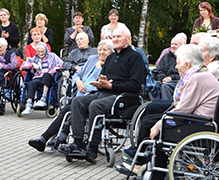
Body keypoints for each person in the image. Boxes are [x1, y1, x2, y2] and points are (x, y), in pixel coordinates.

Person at [130, 44, 219, 180]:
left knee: (154, 128)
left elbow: (183, 109)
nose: (176, 66)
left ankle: (152, 178)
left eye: (178, 63)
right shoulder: (200, 74)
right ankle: (147, 168)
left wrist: (159, 125)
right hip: (201, 120)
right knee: (151, 118)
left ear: (187, 64)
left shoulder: (196, 78)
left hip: (199, 124)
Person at [66, 26, 145, 163]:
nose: (115, 39)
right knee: (77, 101)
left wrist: (112, 85)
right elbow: (106, 78)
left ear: (128, 39)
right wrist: (102, 81)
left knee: (95, 105)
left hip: (123, 98)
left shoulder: (135, 57)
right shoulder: (111, 57)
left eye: (118, 36)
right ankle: (78, 143)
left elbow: (135, 86)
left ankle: (92, 148)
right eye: (113, 37)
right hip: (104, 93)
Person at [28, 39, 114, 152]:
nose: (101, 52)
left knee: (68, 110)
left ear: (111, 52)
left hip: (93, 96)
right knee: (66, 110)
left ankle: (54, 137)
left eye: (105, 50)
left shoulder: (111, 63)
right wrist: (78, 82)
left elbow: (104, 80)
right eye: (100, 49)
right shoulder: (92, 59)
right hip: (79, 94)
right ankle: (51, 137)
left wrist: (99, 67)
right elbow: (78, 74)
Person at [20, 42, 63, 115]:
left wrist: (53, 70)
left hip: (49, 76)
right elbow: (23, 66)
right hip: (39, 76)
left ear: (46, 50)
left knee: (46, 75)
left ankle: (43, 98)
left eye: (42, 51)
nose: (40, 53)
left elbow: (62, 64)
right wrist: (32, 65)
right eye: (39, 52)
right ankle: (29, 104)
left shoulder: (52, 56)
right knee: (31, 83)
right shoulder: (35, 58)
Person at [155, 34, 185, 101]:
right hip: (164, 80)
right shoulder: (166, 57)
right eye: (172, 44)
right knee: (154, 85)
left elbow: (184, 73)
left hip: (177, 81)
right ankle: (155, 104)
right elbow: (159, 70)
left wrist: (171, 78)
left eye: (176, 44)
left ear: (182, 46)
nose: (173, 46)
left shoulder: (184, 58)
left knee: (166, 86)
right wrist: (163, 78)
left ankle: (166, 107)